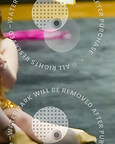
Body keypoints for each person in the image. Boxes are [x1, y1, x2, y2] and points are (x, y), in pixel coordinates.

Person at [0, 13, 97, 144]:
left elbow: (9, 84)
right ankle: (15, 133)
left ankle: (63, 135)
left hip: (3, 108)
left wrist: (3, 68)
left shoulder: (5, 44)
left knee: (22, 119)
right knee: (7, 133)